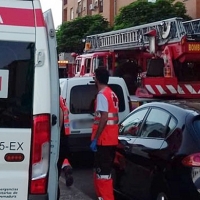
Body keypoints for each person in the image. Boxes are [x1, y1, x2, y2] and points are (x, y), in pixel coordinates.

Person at [90, 67, 119, 200]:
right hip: (111, 139)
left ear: (97, 78)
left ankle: (105, 197)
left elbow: (104, 117)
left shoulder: (102, 95)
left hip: (104, 140)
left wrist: (96, 138)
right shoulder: (111, 93)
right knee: (102, 173)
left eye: (94, 76)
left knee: (103, 174)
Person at [57, 95, 73, 200]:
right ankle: (67, 168)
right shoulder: (61, 99)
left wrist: (56, 132)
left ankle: (55, 191)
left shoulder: (55, 99)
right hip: (66, 134)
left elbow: (60, 115)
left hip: (60, 135)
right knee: (63, 156)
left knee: (56, 164)